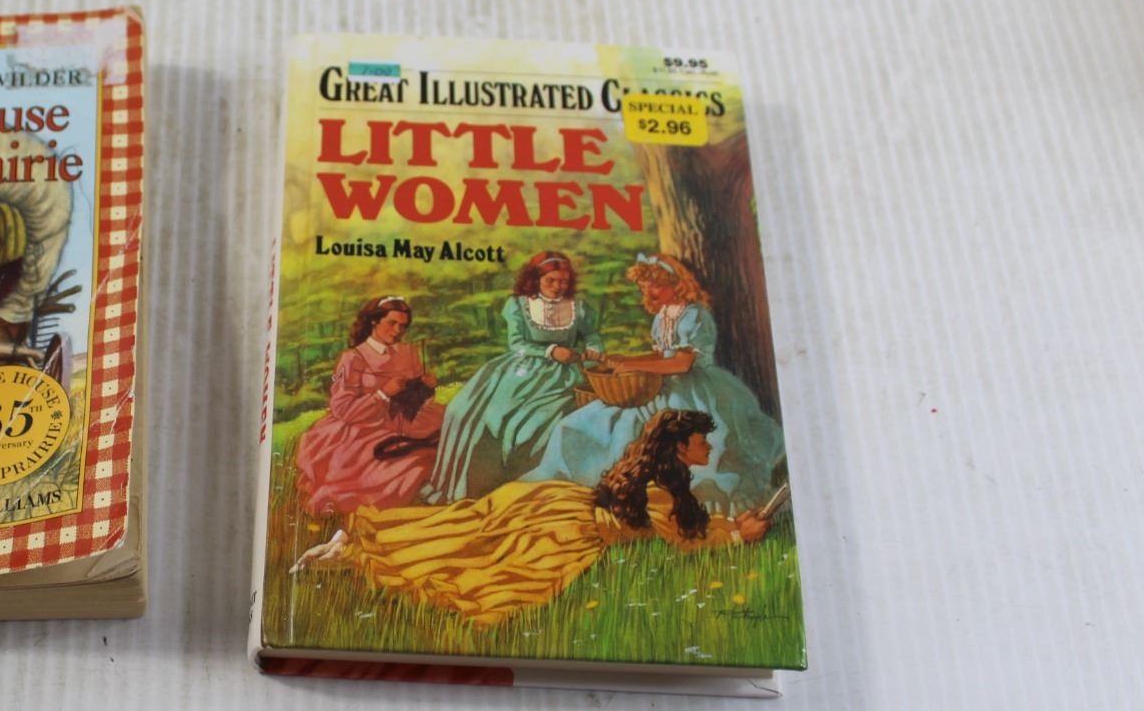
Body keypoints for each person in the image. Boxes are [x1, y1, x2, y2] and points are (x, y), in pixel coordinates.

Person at [295, 410, 769, 625]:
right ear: (681, 447)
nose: (708, 447)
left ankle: (355, 545)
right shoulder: (660, 487)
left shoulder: (661, 478)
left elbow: (684, 527)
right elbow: (682, 540)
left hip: (560, 502)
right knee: (487, 565)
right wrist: (735, 539)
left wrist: (731, 526)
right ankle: (356, 555)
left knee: (470, 529)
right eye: (702, 441)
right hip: (571, 527)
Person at [524, 253, 783, 510]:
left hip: (691, 389)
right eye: (644, 287)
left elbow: (681, 364)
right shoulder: (662, 316)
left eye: (655, 285)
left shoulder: (694, 315)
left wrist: (633, 365)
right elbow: (662, 356)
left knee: (638, 430)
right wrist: (626, 359)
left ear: (676, 284)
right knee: (583, 422)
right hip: (661, 384)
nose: (649, 292)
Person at [420, 251, 600, 503]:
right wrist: (551, 351)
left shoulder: (577, 308)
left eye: (563, 281)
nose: (557, 287)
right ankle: (472, 490)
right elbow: (517, 344)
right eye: (550, 280)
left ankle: (529, 488)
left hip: (564, 374)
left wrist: (593, 350)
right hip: (520, 369)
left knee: (539, 422)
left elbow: (592, 336)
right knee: (467, 412)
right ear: (536, 280)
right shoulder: (519, 305)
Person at [293, 296, 445, 516]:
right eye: (392, 323)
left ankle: (432, 491)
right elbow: (342, 408)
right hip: (365, 426)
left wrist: (426, 388)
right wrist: (383, 394)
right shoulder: (353, 358)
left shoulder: (409, 352)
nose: (398, 331)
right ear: (374, 321)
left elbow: (418, 400)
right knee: (401, 464)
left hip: (408, 420)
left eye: (403, 326)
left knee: (443, 439)